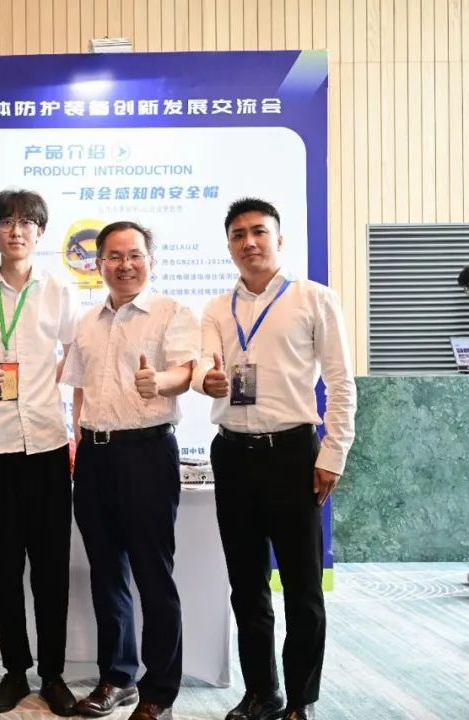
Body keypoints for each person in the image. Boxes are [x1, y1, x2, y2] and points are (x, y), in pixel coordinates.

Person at [192, 199, 357, 720]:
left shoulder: (314, 298)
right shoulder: (216, 308)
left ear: (279, 239)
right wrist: (204, 380)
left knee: (303, 588)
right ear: (229, 246)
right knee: (246, 587)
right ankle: (262, 693)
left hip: (292, 455)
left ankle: (300, 701)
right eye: (238, 235)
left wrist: (333, 452)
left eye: (259, 232)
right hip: (232, 454)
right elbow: (201, 367)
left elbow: (341, 383)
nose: (249, 242)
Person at [0, 189, 80, 717]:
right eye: (6, 222)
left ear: (41, 232)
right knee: (5, 567)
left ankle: (54, 674)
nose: (16, 230)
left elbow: (76, 354)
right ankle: (14, 672)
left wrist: (52, 388)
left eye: (27, 222)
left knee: (51, 569)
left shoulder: (60, 290)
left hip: (47, 444)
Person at [61, 221, 199, 720]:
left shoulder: (172, 312)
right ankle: (117, 678)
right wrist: (78, 438)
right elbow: (78, 388)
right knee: (106, 573)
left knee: (152, 574)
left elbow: (186, 371)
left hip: (146, 453)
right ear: (99, 264)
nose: (125, 265)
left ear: (151, 260)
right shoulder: (86, 321)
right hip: (94, 458)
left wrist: (158, 381)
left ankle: (159, 689)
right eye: (114, 257)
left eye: (135, 255)